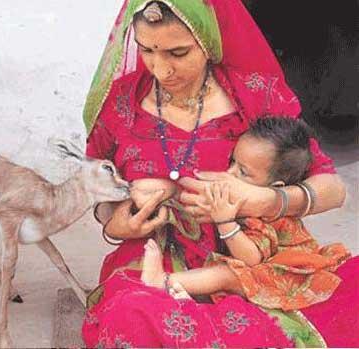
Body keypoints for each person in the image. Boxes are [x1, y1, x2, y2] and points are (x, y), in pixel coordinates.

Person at [83, 1, 359, 347]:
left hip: (254, 253)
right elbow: (94, 185)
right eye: (147, 49)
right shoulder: (121, 104)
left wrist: (265, 199)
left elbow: (333, 188)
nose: (161, 69)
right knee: (130, 317)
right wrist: (114, 222)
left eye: (178, 52)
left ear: (208, 43)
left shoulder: (255, 94)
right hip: (157, 260)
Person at [140, 116, 351, 312]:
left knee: (228, 274)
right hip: (259, 268)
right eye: (232, 162)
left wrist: (225, 222)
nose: (229, 173)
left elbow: (251, 258)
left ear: (275, 187)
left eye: (243, 172)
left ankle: (165, 281)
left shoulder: (268, 216)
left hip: (280, 272)